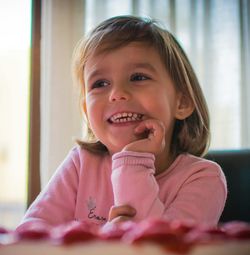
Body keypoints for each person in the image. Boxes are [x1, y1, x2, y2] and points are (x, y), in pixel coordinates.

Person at [17, 15, 227, 231]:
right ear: (87, 113)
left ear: (181, 101)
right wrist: (103, 241)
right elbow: (30, 233)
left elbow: (162, 254)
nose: (117, 94)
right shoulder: (81, 162)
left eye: (138, 77)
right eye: (101, 83)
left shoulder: (203, 178)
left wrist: (134, 163)